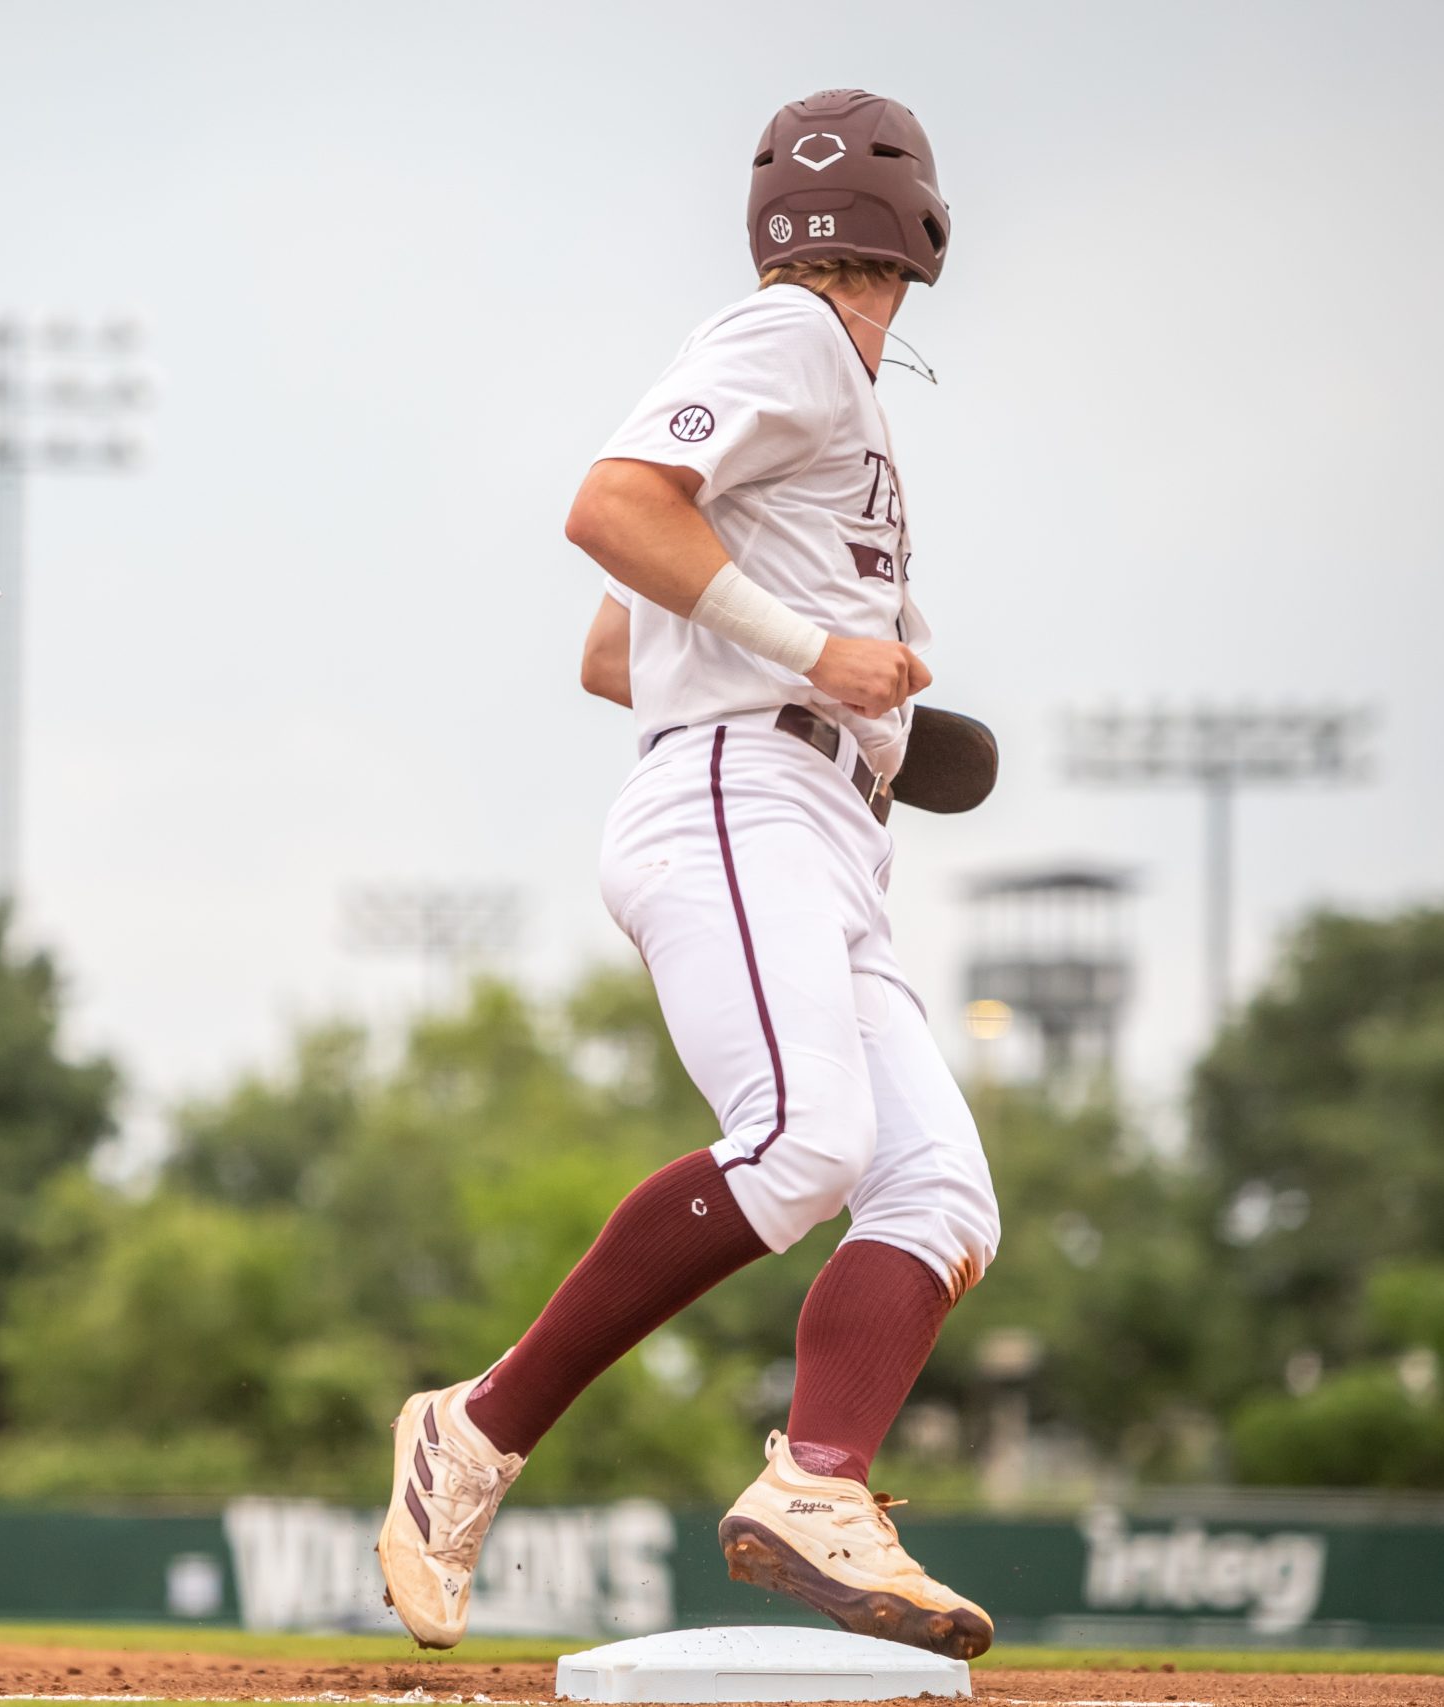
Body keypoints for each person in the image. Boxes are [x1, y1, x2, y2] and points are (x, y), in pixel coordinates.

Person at [374, 88, 1000, 1662]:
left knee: (938, 1191)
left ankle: (822, 1483)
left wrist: (837, 697)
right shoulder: (793, 339)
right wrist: (814, 658)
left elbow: (615, 647)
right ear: (921, 228)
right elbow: (608, 511)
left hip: (811, 813)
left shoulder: (823, 401)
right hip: (743, 796)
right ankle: (477, 1429)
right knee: (802, 1142)